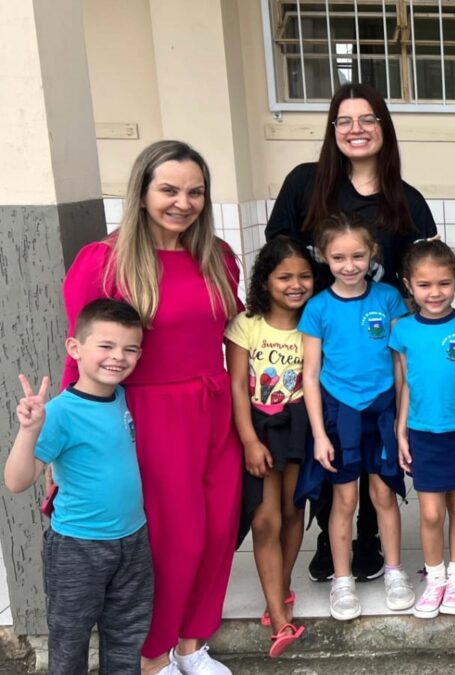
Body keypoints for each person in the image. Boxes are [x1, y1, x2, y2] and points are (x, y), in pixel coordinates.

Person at [62, 140, 241, 675]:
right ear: (142, 193)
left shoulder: (218, 258)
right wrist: (69, 439)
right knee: (174, 539)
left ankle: (192, 645)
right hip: (149, 416)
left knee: (217, 532)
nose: (183, 202)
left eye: (195, 192)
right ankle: (153, 656)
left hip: (214, 408)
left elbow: (232, 332)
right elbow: (82, 356)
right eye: (168, 189)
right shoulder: (104, 261)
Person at [266, 82, 438, 582]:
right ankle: (332, 534)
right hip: (318, 340)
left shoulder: (405, 200)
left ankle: (370, 537)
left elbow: (421, 274)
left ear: (384, 129)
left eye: (367, 120)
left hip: (378, 347)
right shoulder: (305, 184)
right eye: (345, 121)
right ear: (332, 130)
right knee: (329, 448)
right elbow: (281, 253)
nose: (356, 129)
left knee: (375, 443)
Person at [5, 300, 152, 675]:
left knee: (127, 635)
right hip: (77, 548)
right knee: (70, 640)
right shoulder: (59, 412)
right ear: (76, 348)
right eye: (106, 346)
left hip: (132, 542)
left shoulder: (122, 397)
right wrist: (29, 430)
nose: (118, 357)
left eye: (130, 348)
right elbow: (17, 481)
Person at [297, 212, 412, 621]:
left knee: (383, 495)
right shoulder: (317, 308)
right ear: (324, 257)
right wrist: (320, 435)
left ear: (372, 254)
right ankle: (342, 579)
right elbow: (310, 374)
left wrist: (401, 424)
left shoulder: (388, 299)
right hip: (340, 413)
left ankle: (395, 572)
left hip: (382, 410)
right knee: (343, 499)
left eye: (358, 256)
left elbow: (402, 366)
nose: (349, 266)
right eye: (339, 257)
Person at [226, 236, 315, 658]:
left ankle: (277, 593)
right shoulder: (246, 324)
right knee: (265, 520)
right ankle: (280, 620)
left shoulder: (315, 321)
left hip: (298, 425)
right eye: (284, 277)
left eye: (304, 276)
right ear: (266, 280)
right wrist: (247, 438)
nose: (295, 284)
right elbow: (237, 388)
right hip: (259, 427)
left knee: (293, 510)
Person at [390, 240, 455, 619]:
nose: (435, 293)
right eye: (425, 284)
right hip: (423, 433)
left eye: (444, 283)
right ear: (408, 284)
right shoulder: (403, 331)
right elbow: (405, 384)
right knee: (430, 512)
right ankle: (435, 578)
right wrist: (401, 432)